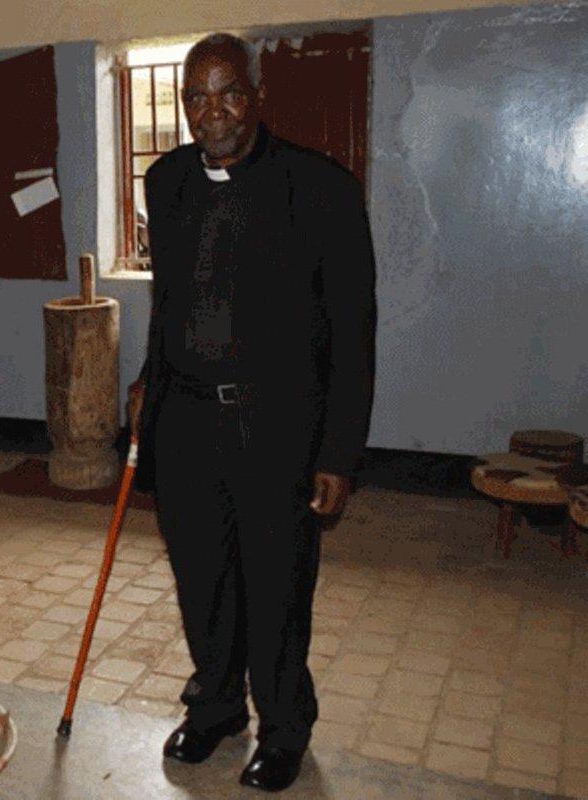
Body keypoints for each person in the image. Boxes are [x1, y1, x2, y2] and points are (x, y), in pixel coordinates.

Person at [127, 33, 376, 792]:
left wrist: (339, 453)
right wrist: (147, 380)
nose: (213, 113)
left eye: (228, 92)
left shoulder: (320, 189)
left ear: (258, 94)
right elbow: (169, 302)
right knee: (201, 580)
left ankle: (284, 726)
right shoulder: (166, 181)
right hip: (188, 421)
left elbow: (354, 333)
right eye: (195, 97)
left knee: (276, 585)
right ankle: (216, 709)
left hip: (279, 428)